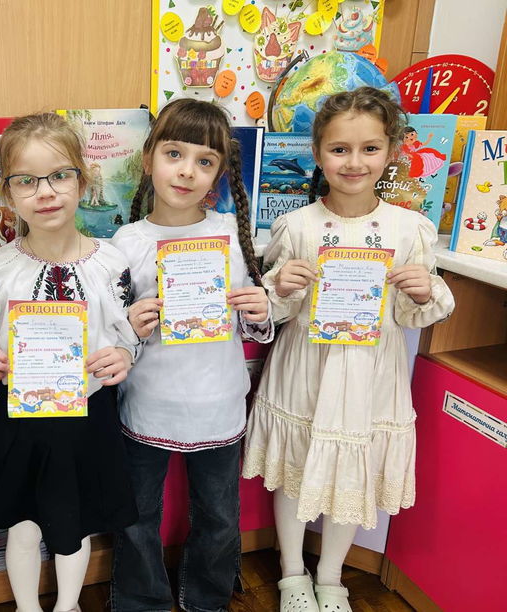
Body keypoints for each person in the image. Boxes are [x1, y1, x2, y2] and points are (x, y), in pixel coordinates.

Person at [243, 87, 455, 612]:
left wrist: (423, 292)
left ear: (391, 151)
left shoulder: (410, 229)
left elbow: (413, 313)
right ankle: (292, 572)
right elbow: (274, 310)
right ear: (318, 153)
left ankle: (331, 575)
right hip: (305, 368)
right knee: (295, 467)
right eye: (339, 149)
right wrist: (281, 288)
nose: (354, 162)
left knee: (353, 471)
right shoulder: (297, 226)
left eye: (369, 148)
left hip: (370, 373)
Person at [0, 112, 140, 612]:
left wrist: (124, 355)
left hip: (86, 416)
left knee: (73, 524)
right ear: (7, 193)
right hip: (18, 419)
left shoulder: (110, 262)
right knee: (23, 525)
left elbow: (128, 333)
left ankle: (66, 606)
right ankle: (27, 607)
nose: (45, 192)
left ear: (82, 182)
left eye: (59, 176)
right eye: (26, 180)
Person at [110, 98, 273, 612]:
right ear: (149, 159)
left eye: (204, 161)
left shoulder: (230, 234)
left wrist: (260, 310)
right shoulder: (127, 242)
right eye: (174, 154)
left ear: (218, 176)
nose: (186, 171)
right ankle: (140, 602)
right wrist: (131, 325)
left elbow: (250, 323)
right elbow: (112, 337)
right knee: (137, 516)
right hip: (147, 402)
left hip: (218, 402)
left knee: (220, 517)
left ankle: (207, 599)